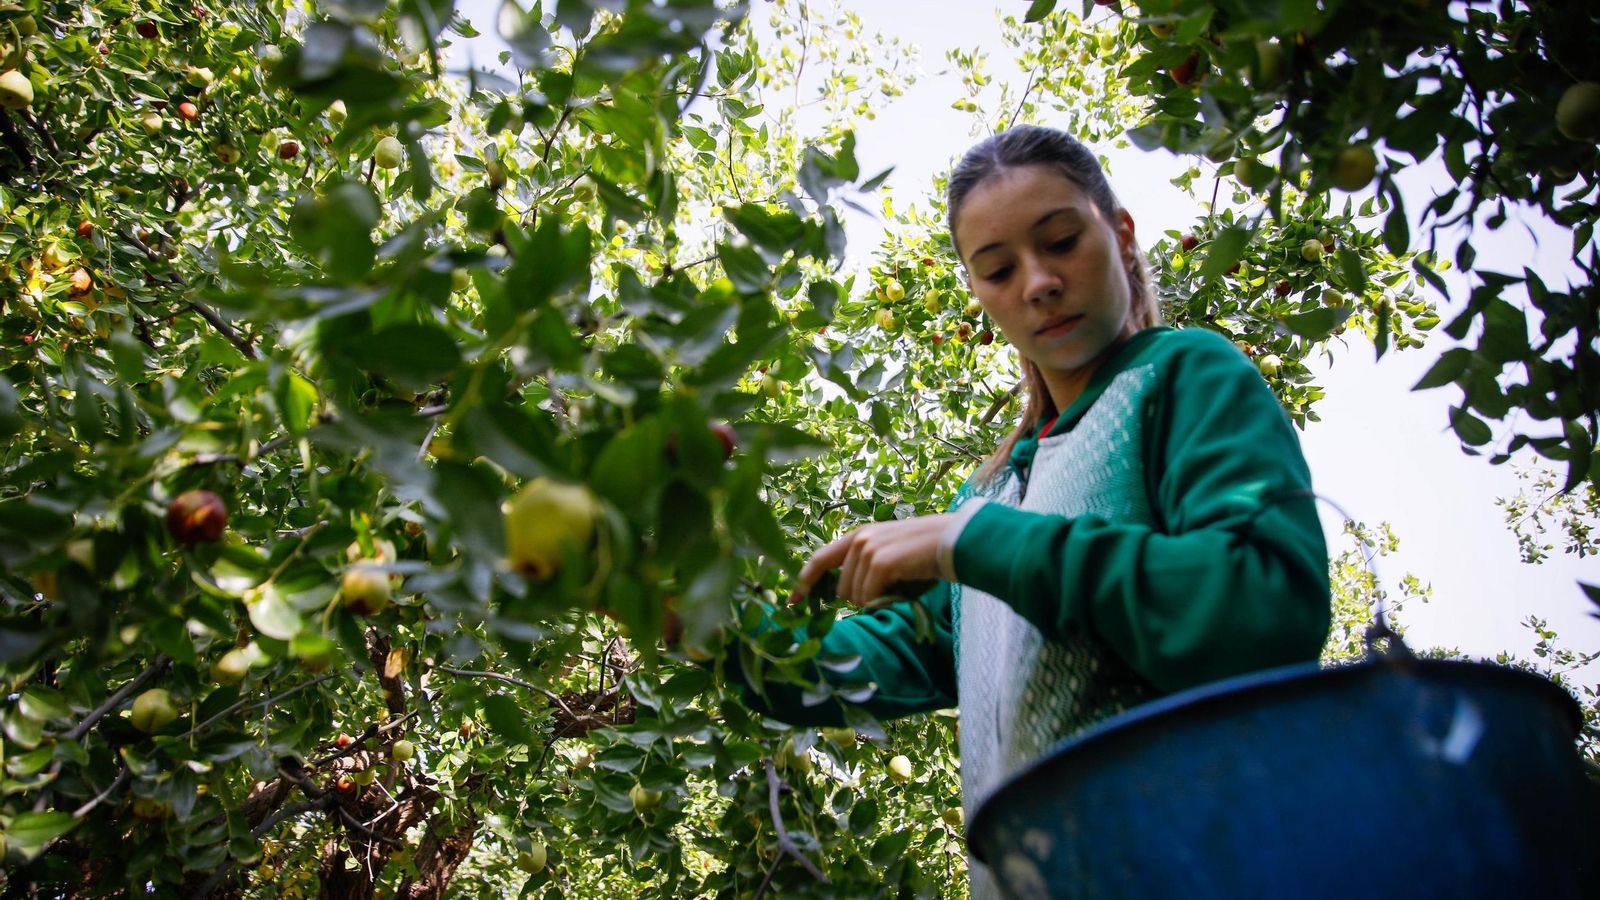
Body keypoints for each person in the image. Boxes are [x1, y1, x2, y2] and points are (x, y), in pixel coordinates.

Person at [739, 125, 1331, 897]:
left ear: (1119, 235)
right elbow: (857, 667)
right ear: (979, 293)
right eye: (998, 269)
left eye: (1060, 241)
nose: (1039, 282)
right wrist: (714, 625)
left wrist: (975, 544)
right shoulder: (988, 496)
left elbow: (1264, 608)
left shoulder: (1184, 378)